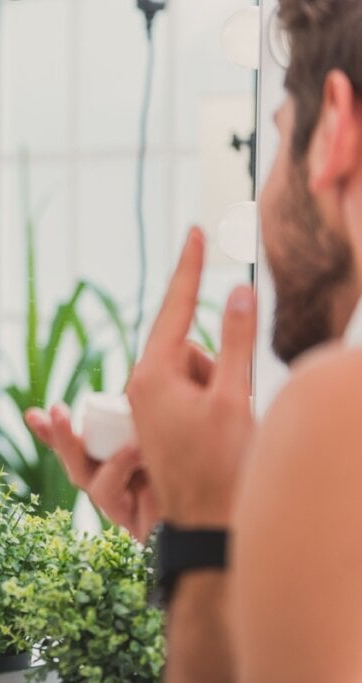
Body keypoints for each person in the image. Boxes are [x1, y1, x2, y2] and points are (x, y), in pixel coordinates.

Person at [26, 0, 362, 680]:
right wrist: (221, 506)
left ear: (331, 127)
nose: (266, 193)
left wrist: (203, 527)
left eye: (275, 139)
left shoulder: (336, 406)